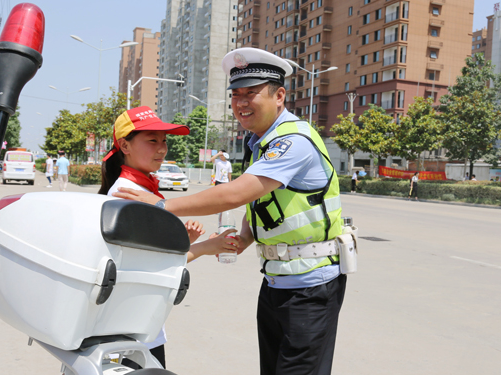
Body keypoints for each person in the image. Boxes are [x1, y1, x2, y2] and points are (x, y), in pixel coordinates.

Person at [115, 47, 349, 375]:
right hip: (277, 281)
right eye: (235, 94)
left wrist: (162, 205)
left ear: (279, 95)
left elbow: (238, 193)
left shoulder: (292, 140)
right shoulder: (261, 143)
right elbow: (265, 202)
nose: (240, 103)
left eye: (250, 93)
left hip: (310, 284)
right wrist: (245, 236)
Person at [99, 106, 238, 369]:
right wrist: (210, 246)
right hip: (130, 330)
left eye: (164, 141)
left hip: (138, 322)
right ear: (125, 146)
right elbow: (152, 268)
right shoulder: (128, 195)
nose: (162, 148)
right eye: (152, 140)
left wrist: (181, 239)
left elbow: (150, 255)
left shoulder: (140, 188)